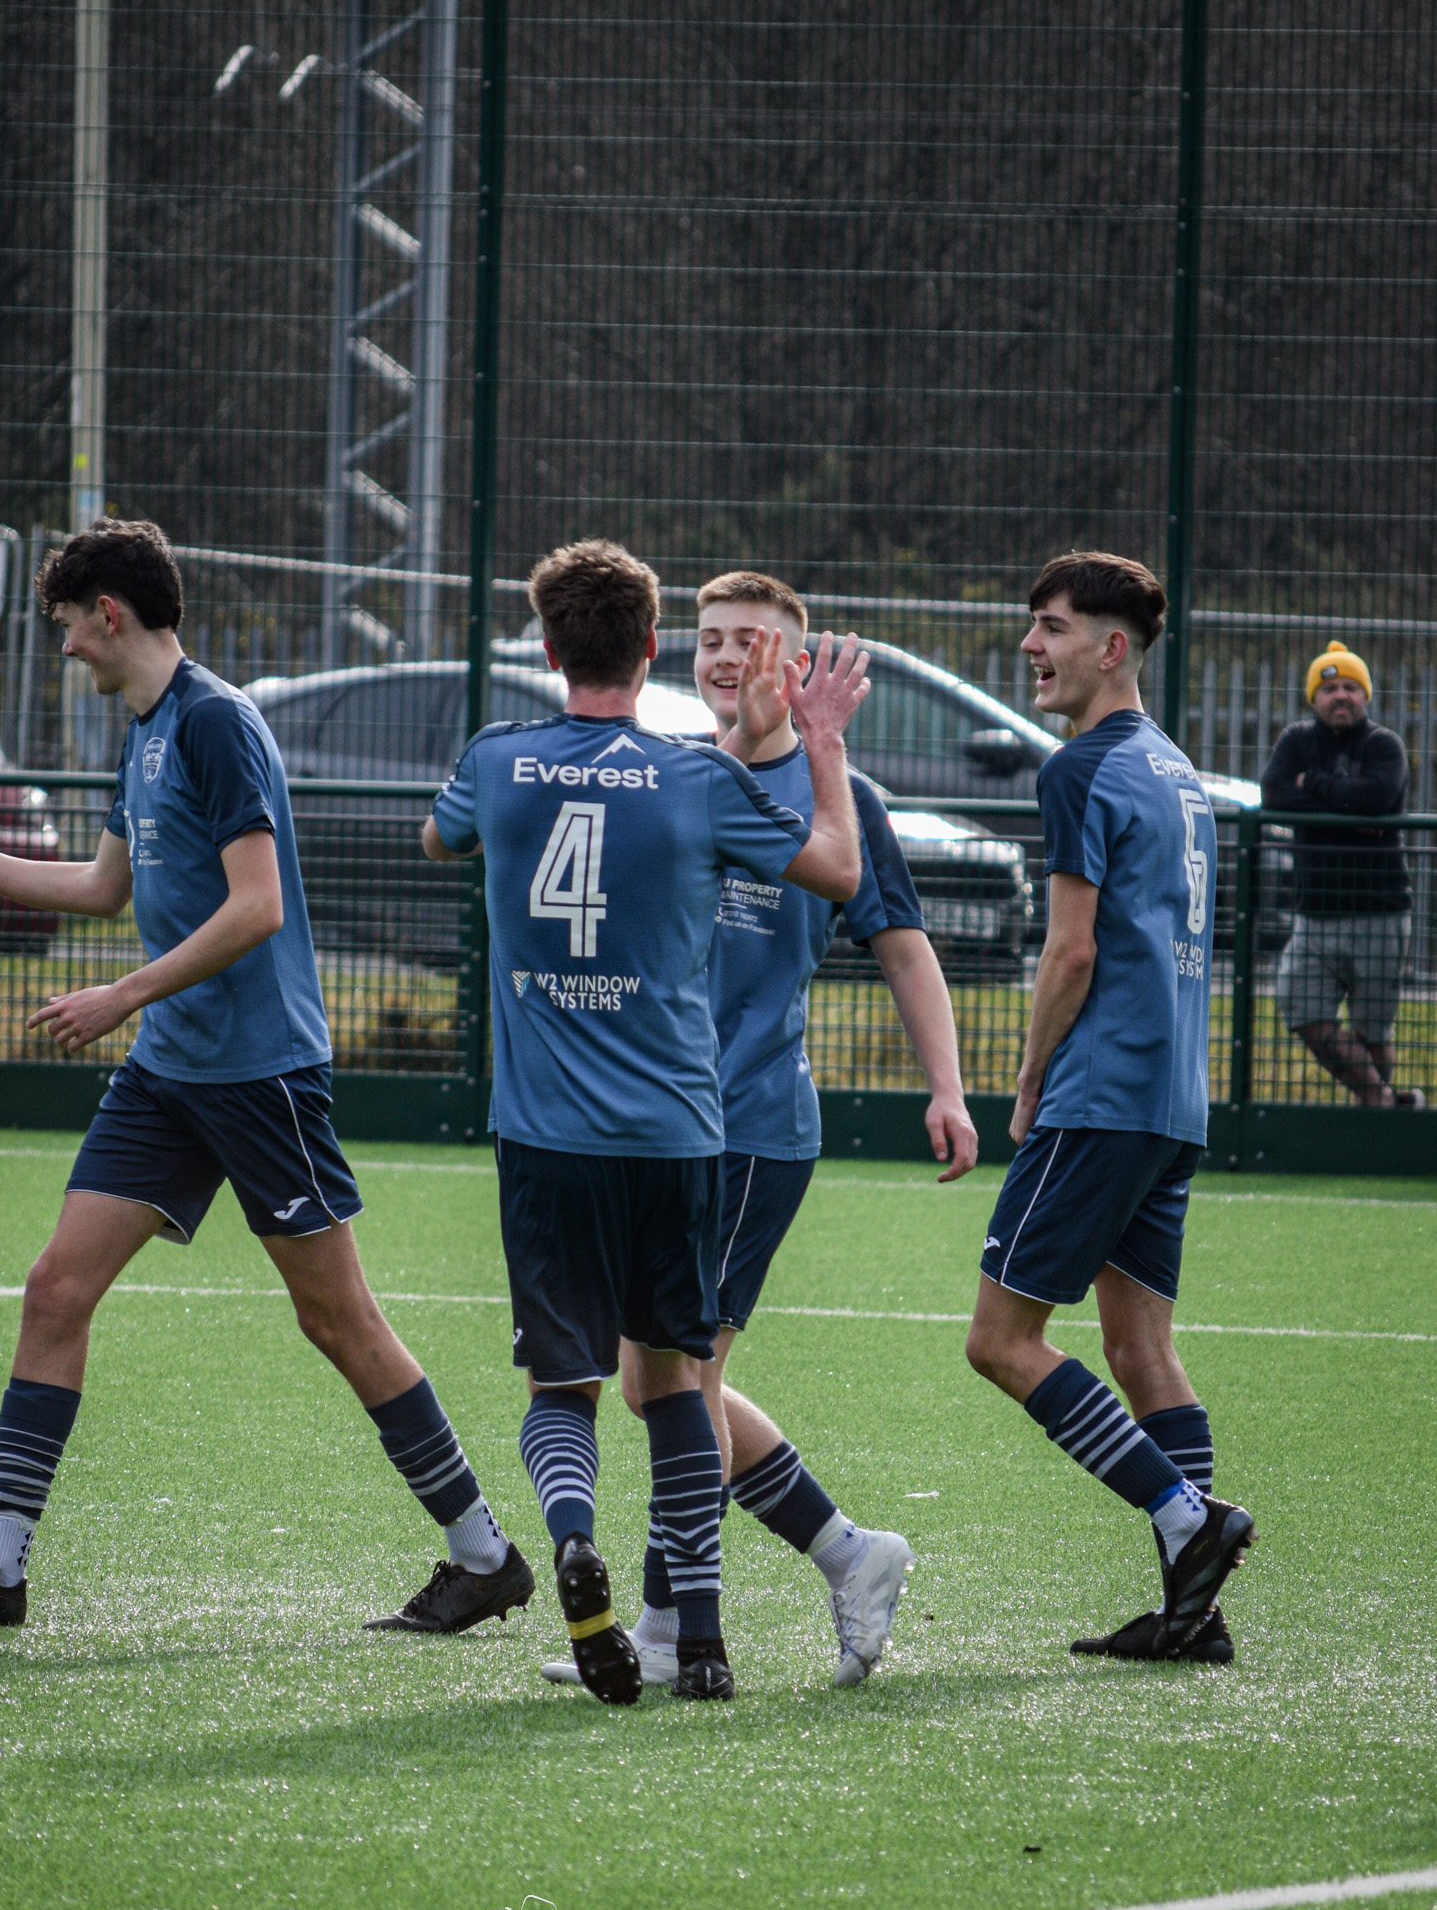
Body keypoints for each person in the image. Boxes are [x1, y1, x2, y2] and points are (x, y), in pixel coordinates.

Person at [0, 518, 530, 1630]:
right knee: (54, 1290)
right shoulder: (146, 729)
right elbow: (107, 888)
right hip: (169, 1074)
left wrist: (121, 996)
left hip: (260, 1074)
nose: (64, 646)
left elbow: (256, 907)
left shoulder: (217, 722)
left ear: (109, 614)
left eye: (67, 625)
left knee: (338, 1320)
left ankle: (482, 1552)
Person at [424, 539, 867, 1702]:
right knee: (677, 1384)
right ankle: (704, 1641)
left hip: (546, 1137)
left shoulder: (495, 760)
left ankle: (573, 1537)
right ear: (655, 648)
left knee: (561, 1390)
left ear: (548, 646)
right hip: (679, 1134)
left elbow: (437, 836)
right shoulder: (694, 776)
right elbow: (831, 865)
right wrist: (817, 737)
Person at [542, 571, 979, 1696]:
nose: (725, 656)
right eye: (708, 638)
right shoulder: (670, 775)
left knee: (677, 1380)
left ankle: (665, 1624)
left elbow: (900, 945)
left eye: (750, 641)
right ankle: (845, 1552)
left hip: (748, 1130)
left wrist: (946, 1087)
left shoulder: (837, 798)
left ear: (795, 666)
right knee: (658, 1385)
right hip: (655, 1126)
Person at [962, 552, 1255, 1664]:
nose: (1030, 647)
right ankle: (1195, 1611)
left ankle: (1191, 1523)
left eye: (1049, 627)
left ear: (1110, 646)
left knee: (1000, 1341)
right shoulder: (1176, 772)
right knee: (1142, 1353)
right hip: (1171, 1101)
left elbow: (1070, 948)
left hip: (1100, 1097)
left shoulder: (1079, 766)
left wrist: (1029, 1074)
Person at [1261, 642, 1419, 1108]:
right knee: (1302, 1011)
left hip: (1381, 913)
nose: (1340, 696)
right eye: (1329, 688)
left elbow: (1376, 796)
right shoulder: (1295, 741)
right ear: (1313, 698)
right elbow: (1273, 796)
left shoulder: (1384, 745)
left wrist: (1312, 786)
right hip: (1314, 916)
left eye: (1350, 686)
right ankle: (1384, 1101)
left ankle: (1373, 1117)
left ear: (1366, 695)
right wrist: (1347, 804)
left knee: (1373, 1036)